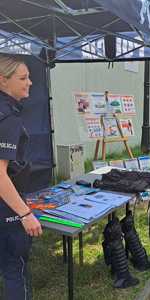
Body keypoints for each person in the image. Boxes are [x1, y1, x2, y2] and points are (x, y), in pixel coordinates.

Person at [0, 54, 42, 299]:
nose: (30, 83)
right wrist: (25, 214)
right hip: (7, 212)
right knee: (15, 270)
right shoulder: (8, 117)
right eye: (23, 78)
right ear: (3, 81)